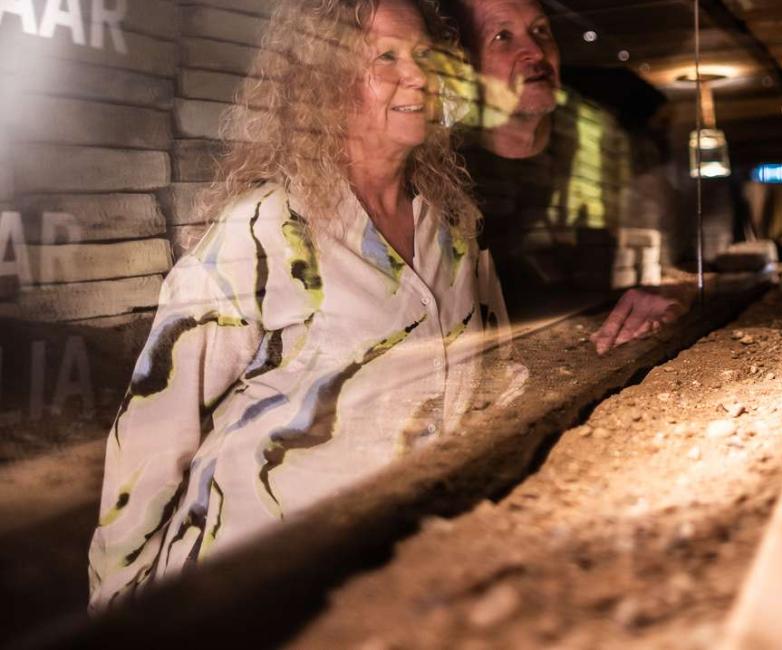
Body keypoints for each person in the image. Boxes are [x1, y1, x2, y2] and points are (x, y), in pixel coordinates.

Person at [86, 0, 522, 610]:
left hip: (397, 583)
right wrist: (116, 606)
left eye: (424, 55)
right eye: (386, 58)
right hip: (249, 591)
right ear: (323, 79)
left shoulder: (452, 231)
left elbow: (496, 375)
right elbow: (155, 430)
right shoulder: (262, 232)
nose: (419, 76)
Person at [446, 0, 688, 355]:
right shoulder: (439, 166)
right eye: (502, 36)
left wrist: (668, 292)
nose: (534, 50)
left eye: (541, 30)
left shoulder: (606, 142)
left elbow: (669, 261)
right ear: (463, 65)